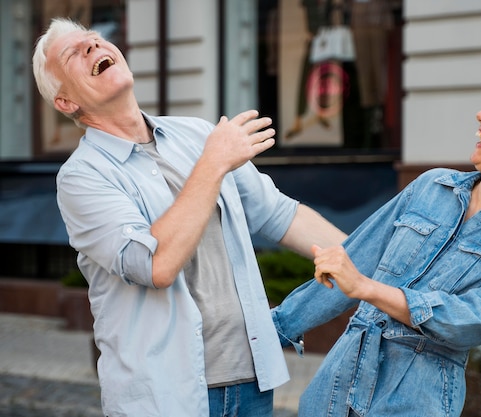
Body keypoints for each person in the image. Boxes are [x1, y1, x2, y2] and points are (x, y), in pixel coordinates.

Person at [32, 18, 347, 417]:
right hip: (166, 397)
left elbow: (281, 215)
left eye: (94, 40)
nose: (93, 48)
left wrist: (363, 262)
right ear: (65, 102)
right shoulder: (82, 177)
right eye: (73, 53)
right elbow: (155, 264)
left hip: (251, 383)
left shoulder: (198, 135)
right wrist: (213, 163)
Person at [272, 77, 481, 417]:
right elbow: (352, 262)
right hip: (334, 390)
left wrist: (367, 289)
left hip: (415, 402)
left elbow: (468, 322)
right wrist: (271, 332)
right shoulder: (431, 186)